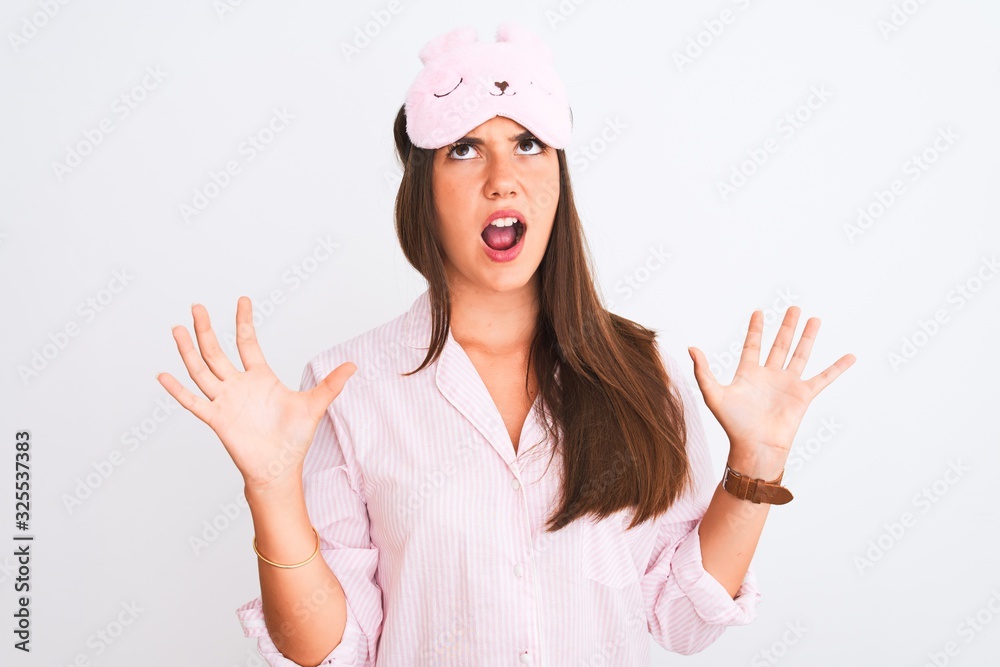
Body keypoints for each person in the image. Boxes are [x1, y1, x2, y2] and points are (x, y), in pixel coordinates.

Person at [156, 22, 855, 667]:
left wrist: (756, 463)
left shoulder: (642, 373)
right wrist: (272, 488)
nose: (502, 177)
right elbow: (329, 647)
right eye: (464, 149)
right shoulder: (350, 384)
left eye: (528, 143)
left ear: (557, 177)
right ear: (423, 189)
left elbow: (681, 617)